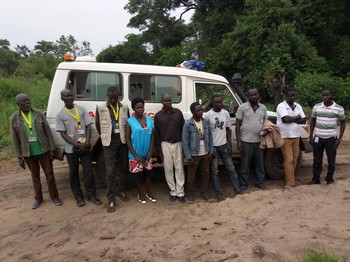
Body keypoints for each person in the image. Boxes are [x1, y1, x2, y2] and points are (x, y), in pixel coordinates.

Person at [9, 93, 62, 209]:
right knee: (35, 176)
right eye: (24, 101)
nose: (27, 102)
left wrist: (52, 148)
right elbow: (14, 139)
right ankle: (38, 199)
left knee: (49, 174)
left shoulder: (38, 114)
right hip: (28, 153)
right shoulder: (14, 118)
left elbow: (48, 132)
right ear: (18, 104)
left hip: (44, 151)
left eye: (28, 100)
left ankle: (55, 197)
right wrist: (19, 157)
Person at [56, 89, 101, 207]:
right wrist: (76, 144)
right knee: (74, 173)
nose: (70, 97)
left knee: (88, 172)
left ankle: (91, 195)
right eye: (66, 96)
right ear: (62, 98)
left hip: (85, 147)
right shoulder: (60, 114)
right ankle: (78, 197)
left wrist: (86, 142)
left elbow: (88, 126)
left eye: (71, 95)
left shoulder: (81, 109)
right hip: (71, 149)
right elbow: (63, 133)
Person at [95, 86, 130, 213]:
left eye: (115, 98)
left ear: (119, 96)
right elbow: (97, 124)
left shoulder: (124, 107)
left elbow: (128, 124)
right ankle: (111, 199)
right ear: (107, 96)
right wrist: (104, 136)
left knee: (123, 168)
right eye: (111, 98)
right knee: (110, 172)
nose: (113, 100)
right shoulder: (100, 107)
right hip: (108, 143)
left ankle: (120, 191)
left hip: (122, 142)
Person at [204, 95, 243, 201]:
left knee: (231, 169)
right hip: (214, 147)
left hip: (224, 145)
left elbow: (228, 130)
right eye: (216, 102)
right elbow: (206, 133)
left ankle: (238, 190)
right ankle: (218, 194)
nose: (219, 104)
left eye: (220, 102)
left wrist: (229, 144)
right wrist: (209, 149)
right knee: (215, 171)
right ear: (212, 103)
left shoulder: (225, 113)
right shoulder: (208, 115)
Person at [309, 87, 346, 185]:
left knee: (331, 160)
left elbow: (343, 123)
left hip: (331, 138)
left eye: (327, 95)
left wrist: (339, 139)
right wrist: (310, 136)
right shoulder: (317, 107)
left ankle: (329, 179)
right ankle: (315, 179)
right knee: (317, 160)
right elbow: (312, 121)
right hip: (318, 137)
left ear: (331, 95)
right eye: (323, 95)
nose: (325, 97)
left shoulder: (338, 108)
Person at [154, 93, 186, 203]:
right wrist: (159, 151)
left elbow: (183, 130)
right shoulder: (158, 116)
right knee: (168, 169)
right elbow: (157, 134)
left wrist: (184, 147)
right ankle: (173, 191)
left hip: (178, 143)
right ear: (162, 102)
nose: (168, 102)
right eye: (165, 100)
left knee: (179, 168)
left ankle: (180, 192)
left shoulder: (178, 113)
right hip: (165, 144)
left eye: (169, 100)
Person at [236, 87, 268, 190]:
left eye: (255, 94)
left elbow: (266, 123)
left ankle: (259, 182)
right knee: (245, 164)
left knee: (260, 164)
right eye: (251, 95)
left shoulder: (263, 107)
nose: (254, 97)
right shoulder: (242, 107)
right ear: (248, 96)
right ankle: (243, 184)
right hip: (246, 141)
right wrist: (239, 141)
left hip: (259, 141)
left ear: (258, 95)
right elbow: (237, 124)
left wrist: (266, 131)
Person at [125, 98, 156, 204]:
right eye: (138, 108)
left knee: (148, 175)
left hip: (147, 154)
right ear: (133, 108)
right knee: (138, 177)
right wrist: (135, 155)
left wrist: (150, 151)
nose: (140, 109)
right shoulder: (129, 122)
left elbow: (152, 136)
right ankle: (140, 194)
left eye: (142, 107)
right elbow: (127, 140)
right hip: (135, 155)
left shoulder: (149, 119)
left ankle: (149, 193)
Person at [182, 102, 214, 204]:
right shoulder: (188, 124)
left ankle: (204, 193)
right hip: (194, 154)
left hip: (205, 152)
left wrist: (211, 151)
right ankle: (191, 194)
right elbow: (185, 141)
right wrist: (188, 157)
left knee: (205, 174)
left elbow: (210, 137)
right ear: (192, 112)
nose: (201, 112)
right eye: (198, 110)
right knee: (191, 176)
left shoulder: (205, 122)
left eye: (201, 110)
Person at [276, 88, 306, 189]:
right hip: (285, 136)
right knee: (289, 159)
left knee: (295, 159)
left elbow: (304, 120)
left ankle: (290, 178)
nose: (292, 97)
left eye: (294, 95)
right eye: (290, 96)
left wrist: (293, 119)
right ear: (286, 96)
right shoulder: (281, 106)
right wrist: (297, 118)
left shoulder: (298, 106)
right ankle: (290, 183)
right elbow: (285, 119)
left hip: (296, 135)